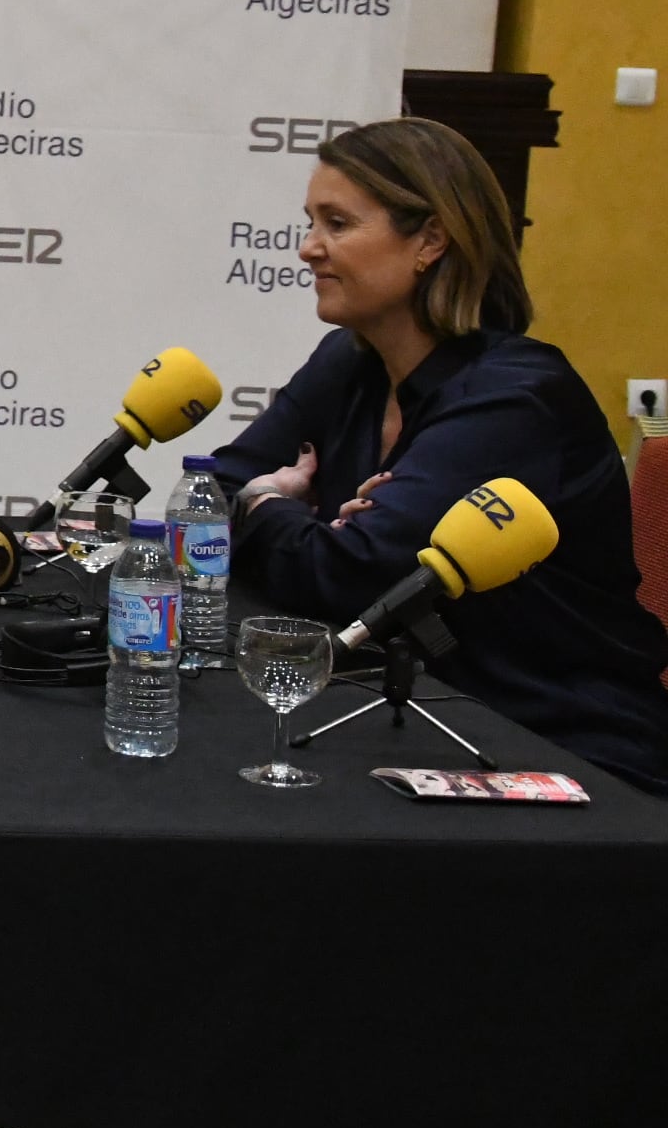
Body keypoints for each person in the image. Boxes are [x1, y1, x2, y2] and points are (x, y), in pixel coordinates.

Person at [214, 117, 668, 792]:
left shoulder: (517, 399)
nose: (309, 248)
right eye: (311, 222)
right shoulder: (351, 363)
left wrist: (271, 506)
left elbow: (351, 577)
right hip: (404, 717)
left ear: (430, 239)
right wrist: (279, 516)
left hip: (559, 746)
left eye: (337, 223)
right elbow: (215, 491)